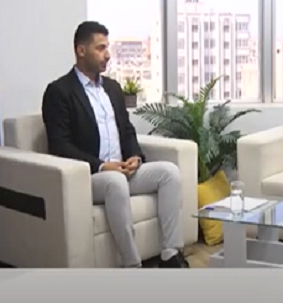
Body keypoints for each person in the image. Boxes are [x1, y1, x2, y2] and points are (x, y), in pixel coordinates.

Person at [41, 21, 188, 268]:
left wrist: (135, 157)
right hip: (90, 176)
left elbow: (126, 130)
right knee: (115, 182)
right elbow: (59, 146)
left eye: (107, 47)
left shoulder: (112, 88)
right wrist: (102, 166)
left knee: (169, 173)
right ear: (81, 50)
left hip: (123, 171)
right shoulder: (59, 92)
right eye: (100, 48)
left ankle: (170, 254)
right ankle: (132, 265)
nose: (107, 54)